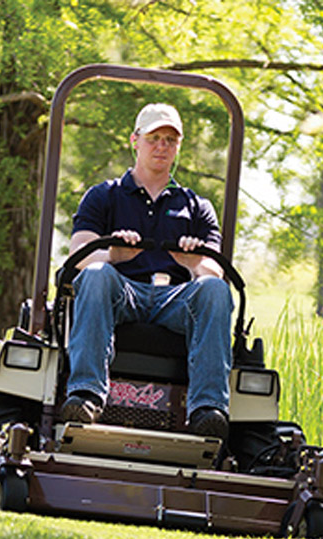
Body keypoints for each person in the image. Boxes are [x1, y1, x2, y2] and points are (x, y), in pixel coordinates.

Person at [61, 103, 233, 441]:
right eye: (154, 138)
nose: (161, 146)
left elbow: (214, 269)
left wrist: (190, 261)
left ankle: (208, 409)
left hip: (175, 300)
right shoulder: (104, 196)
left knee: (215, 290)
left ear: (177, 148)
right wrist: (115, 253)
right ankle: (86, 396)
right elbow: (79, 254)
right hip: (122, 291)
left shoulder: (197, 207)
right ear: (135, 140)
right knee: (95, 274)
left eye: (170, 140)